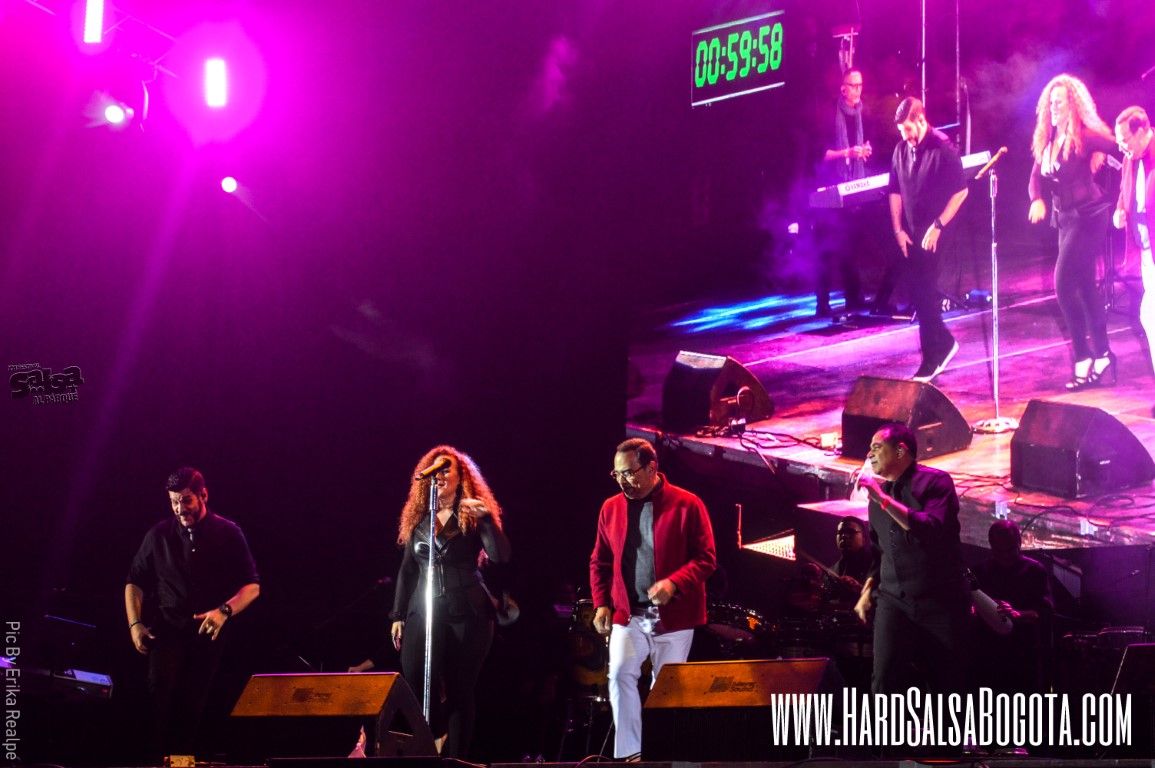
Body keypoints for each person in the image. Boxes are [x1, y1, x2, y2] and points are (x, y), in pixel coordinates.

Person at [589, 438, 716, 760]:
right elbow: (600, 561)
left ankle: (663, 755)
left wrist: (674, 583)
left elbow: (706, 559)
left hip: (675, 617)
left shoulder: (687, 503)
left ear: (651, 468)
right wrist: (601, 603)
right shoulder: (611, 507)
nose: (622, 481)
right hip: (629, 614)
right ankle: (630, 756)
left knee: (666, 689)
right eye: (617, 474)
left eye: (629, 473)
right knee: (619, 674)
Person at [125, 467, 261, 758]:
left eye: (186, 500)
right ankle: (154, 761)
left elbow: (252, 586)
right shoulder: (158, 535)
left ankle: (181, 762)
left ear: (204, 495)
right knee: (158, 694)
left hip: (207, 634)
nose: (180, 508)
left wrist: (224, 611)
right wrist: (135, 623)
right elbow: (134, 581)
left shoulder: (229, 533)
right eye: (174, 501)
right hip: (167, 629)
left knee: (192, 705)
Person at [390, 446, 511, 759]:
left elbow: (500, 556)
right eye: (436, 469)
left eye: (446, 469)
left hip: (468, 612)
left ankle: (456, 758)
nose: (440, 474)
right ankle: (430, 745)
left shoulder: (471, 514)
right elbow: (407, 569)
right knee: (416, 679)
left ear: (462, 477)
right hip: (424, 609)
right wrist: (397, 614)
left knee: (460, 689)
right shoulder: (420, 518)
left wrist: (487, 521)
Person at [854, 424, 970, 697]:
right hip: (894, 600)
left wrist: (882, 499)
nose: (869, 454)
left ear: (900, 451)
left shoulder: (936, 482)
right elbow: (879, 551)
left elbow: (931, 528)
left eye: (877, 447)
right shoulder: (877, 499)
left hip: (939, 601)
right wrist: (867, 590)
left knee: (947, 685)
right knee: (884, 682)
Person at [1029, 74, 1118, 390]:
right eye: (1051, 102)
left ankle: (1083, 357)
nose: (1053, 107)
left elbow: (1120, 148)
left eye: (1060, 102)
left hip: (1089, 217)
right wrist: (1037, 199)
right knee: (1085, 286)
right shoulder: (1048, 140)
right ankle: (1104, 355)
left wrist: (1124, 195)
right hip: (1065, 220)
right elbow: (1035, 178)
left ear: (1072, 106)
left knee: (1063, 284)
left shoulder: (1084, 137)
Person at [888, 97, 969, 382]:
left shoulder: (943, 148)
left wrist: (939, 225)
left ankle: (933, 358)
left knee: (924, 291)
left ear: (921, 120)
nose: (905, 136)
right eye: (901, 131)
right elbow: (894, 191)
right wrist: (898, 230)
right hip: (911, 231)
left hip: (936, 230)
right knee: (918, 292)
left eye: (908, 129)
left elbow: (961, 192)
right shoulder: (900, 150)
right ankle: (944, 343)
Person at [813, 69, 872, 317]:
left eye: (860, 85)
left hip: (853, 187)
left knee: (850, 247)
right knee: (826, 248)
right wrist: (846, 153)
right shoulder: (829, 114)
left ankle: (854, 298)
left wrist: (865, 150)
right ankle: (822, 303)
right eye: (853, 85)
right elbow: (820, 154)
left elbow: (867, 144)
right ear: (843, 88)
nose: (858, 90)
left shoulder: (862, 113)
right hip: (830, 187)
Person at [971, 520, 1053, 694]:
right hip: (988, 658)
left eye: (1010, 549)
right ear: (991, 546)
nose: (1006, 555)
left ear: (1019, 543)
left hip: (1023, 657)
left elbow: (1044, 612)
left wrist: (1017, 615)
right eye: (1000, 550)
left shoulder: (1034, 571)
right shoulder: (980, 572)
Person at [1113, 106, 1155, 399]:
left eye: (1125, 140)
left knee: (1149, 314)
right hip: (1147, 253)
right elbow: (1124, 190)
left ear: (1141, 132)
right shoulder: (1130, 159)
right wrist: (1120, 210)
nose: (1121, 148)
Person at [827, 515, 872, 603]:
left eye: (851, 532)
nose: (844, 536)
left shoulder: (877, 565)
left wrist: (859, 588)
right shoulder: (831, 571)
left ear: (864, 538)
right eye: (840, 532)